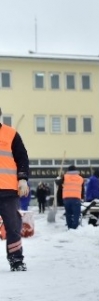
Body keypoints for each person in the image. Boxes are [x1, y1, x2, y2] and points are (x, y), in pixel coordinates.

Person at [0, 106, 29, 271]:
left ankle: (16, 260)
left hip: (8, 191)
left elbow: (22, 157)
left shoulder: (10, 134)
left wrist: (23, 178)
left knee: (13, 226)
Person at [56, 165, 84, 229]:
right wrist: (82, 197)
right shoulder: (80, 178)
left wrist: (57, 179)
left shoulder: (65, 177)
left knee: (68, 214)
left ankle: (69, 227)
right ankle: (75, 227)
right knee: (76, 214)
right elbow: (82, 189)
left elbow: (58, 183)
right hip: (76, 198)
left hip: (67, 198)